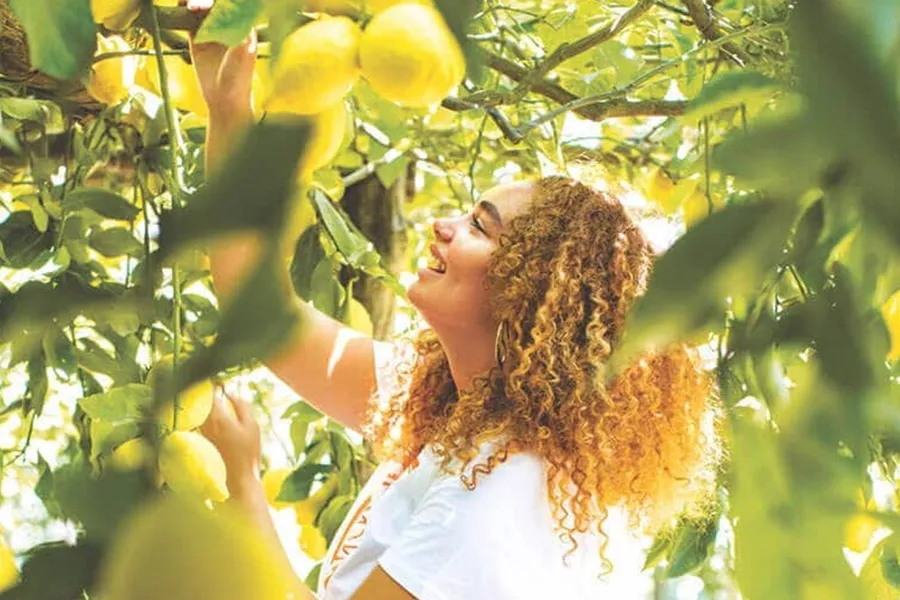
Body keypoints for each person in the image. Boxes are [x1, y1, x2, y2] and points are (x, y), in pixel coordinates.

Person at [189, 10, 724, 600]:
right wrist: (228, 105)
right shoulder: (459, 402)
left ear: (532, 291)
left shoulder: (502, 499)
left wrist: (241, 481)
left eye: (479, 226)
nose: (443, 225)